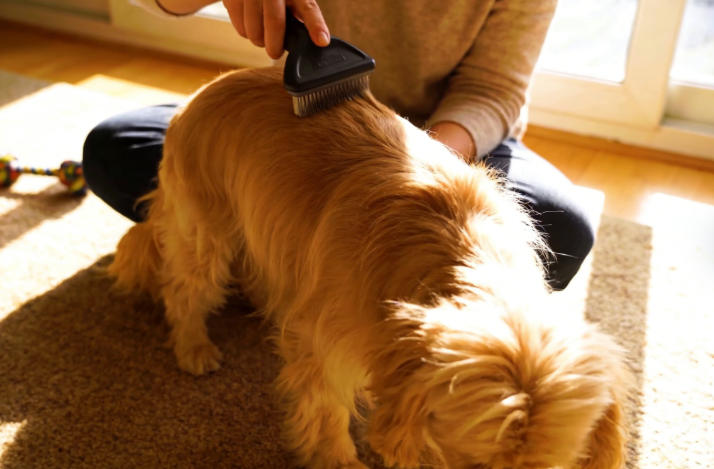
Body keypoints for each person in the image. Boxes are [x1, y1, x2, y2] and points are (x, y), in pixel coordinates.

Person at [83, 0, 594, 290]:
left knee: (559, 232)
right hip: (312, 127)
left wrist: (414, 169)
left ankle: (275, 263)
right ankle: (304, 273)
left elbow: (491, 90)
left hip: (442, 143)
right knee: (115, 149)